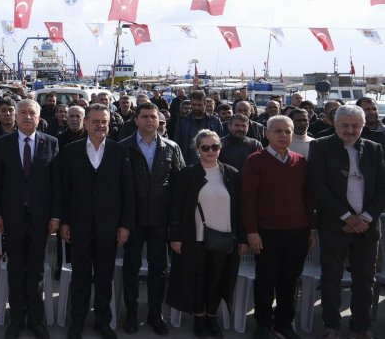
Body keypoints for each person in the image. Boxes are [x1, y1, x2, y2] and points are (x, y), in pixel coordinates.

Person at [308, 105, 385, 339]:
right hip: (335, 225)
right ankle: (331, 325)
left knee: (365, 279)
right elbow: (318, 186)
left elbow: (382, 188)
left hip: (368, 227)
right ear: (335, 124)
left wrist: (366, 218)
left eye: (355, 126)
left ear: (362, 126)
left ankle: (359, 327)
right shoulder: (319, 146)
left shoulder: (374, 148)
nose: (350, 130)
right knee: (331, 278)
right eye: (345, 125)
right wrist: (347, 217)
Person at [60, 104, 134, 339]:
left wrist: (124, 225)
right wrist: (64, 221)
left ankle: (104, 321)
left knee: (104, 277)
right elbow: (64, 190)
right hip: (79, 226)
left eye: (104, 121)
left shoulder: (120, 151)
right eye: (96, 121)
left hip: (109, 227)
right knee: (80, 276)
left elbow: (127, 192)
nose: (101, 125)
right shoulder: (70, 151)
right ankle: (77, 321)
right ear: (86, 123)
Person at [0, 99, 60, 339]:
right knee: (15, 269)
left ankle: (36, 319)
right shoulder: (2, 143)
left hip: (41, 219)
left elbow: (56, 184)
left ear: (39, 117)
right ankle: (17, 318)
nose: (27, 116)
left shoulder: (51, 143)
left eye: (32, 112)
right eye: (23, 113)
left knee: (36, 271)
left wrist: (55, 215)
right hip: (12, 218)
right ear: (15, 117)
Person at [242, 116, 315, 339]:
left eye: (288, 131)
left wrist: (311, 228)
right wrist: (252, 232)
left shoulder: (301, 161)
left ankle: (284, 324)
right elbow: (248, 199)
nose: (283, 136)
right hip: (267, 232)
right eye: (278, 131)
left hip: (298, 232)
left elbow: (309, 198)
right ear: (267, 133)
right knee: (265, 279)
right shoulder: (255, 161)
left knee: (290, 281)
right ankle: (263, 323)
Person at [167, 130, 244, 338]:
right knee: (198, 279)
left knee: (217, 280)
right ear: (197, 149)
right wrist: (175, 236)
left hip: (224, 237)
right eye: (205, 147)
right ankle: (199, 317)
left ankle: (212, 316)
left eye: (215, 147)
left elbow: (240, 209)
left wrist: (242, 238)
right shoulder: (187, 174)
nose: (211, 151)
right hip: (196, 237)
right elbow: (176, 207)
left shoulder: (232, 174)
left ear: (221, 148)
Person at [120, 102, 185, 335]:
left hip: (160, 220)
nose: (149, 120)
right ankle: (131, 314)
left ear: (159, 121)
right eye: (145, 116)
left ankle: (155, 314)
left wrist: (174, 223)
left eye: (153, 117)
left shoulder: (171, 148)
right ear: (136, 120)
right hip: (133, 221)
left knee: (158, 270)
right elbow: (118, 189)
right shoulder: (123, 147)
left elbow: (179, 188)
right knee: (131, 269)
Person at [175, 91, 222, 165]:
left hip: (210, 163)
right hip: (188, 164)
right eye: (194, 105)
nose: (196, 107)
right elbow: (177, 143)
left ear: (205, 104)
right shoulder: (182, 122)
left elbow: (220, 142)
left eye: (199, 105)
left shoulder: (215, 121)